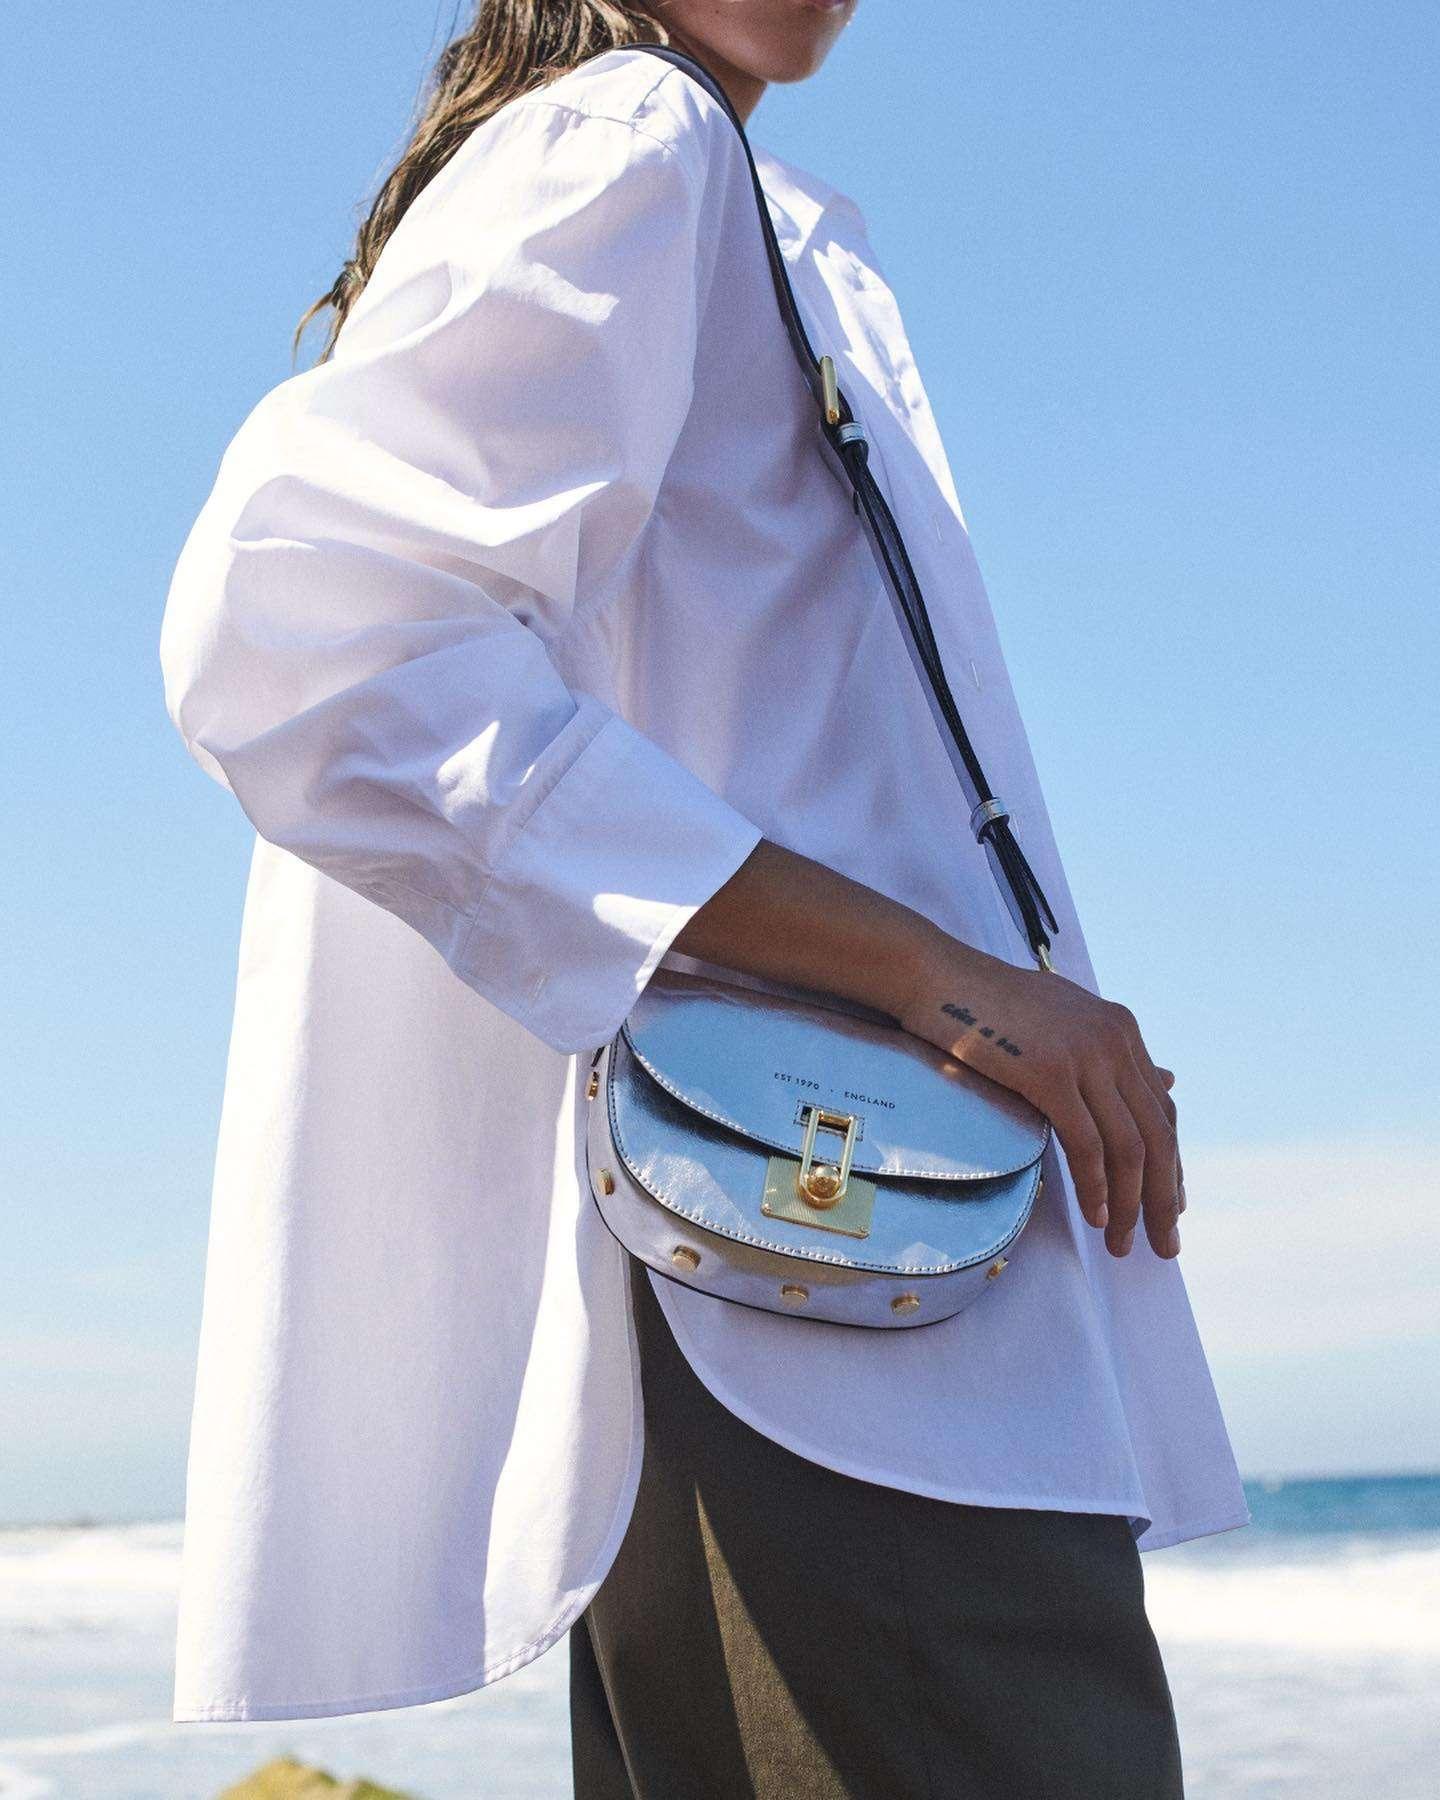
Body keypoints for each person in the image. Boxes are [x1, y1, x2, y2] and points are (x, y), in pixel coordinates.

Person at [158, 2, 1249, 1794]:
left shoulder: (736, 196)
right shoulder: (632, 141)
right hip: (823, 1308)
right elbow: (309, 639)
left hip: (836, 1281)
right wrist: (947, 982)